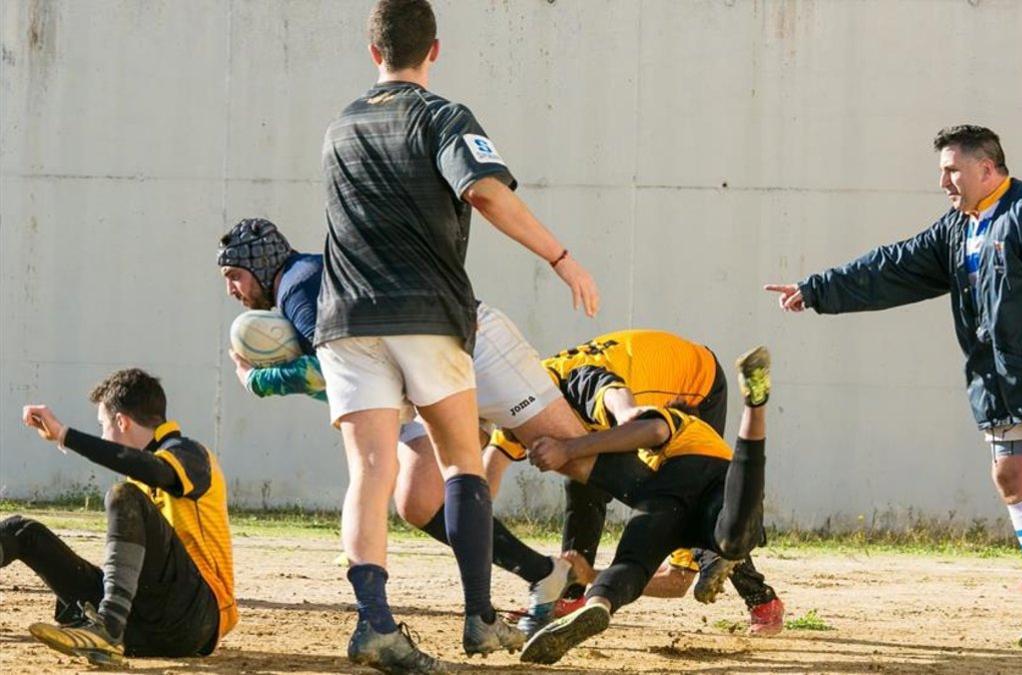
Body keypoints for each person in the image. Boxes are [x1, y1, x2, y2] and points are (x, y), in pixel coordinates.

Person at [764, 125, 1022, 648]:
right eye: (943, 170)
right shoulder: (957, 228)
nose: (944, 180)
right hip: (1001, 380)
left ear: (987, 168)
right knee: (1012, 477)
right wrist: (817, 290)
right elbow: (892, 266)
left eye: (952, 169)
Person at [316, 0, 600, 670]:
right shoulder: (442, 116)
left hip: (347, 317)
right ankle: (478, 619)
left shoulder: (339, 128)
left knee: (370, 473)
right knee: (460, 463)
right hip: (426, 313)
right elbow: (486, 193)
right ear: (434, 51)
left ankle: (376, 625)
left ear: (372, 51)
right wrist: (563, 258)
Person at [217, 218, 583, 642]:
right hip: (417, 379)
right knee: (419, 501)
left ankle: (637, 546)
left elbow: (325, 370)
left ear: (262, 265)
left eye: (234, 276)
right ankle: (545, 574)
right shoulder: (299, 283)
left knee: (579, 455)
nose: (231, 289)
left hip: (451, 359)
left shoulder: (299, 285)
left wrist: (259, 380)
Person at [492, 330, 783, 635]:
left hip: (698, 382)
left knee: (708, 509)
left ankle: (752, 592)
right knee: (597, 486)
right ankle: (577, 595)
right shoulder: (521, 402)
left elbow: (629, 412)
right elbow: (490, 468)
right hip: (658, 435)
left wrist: (577, 443)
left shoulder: (570, 382)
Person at [4, 369, 237, 666]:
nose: (103, 435)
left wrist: (65, 435)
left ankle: (108, 628)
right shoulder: (140, 475)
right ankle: (110, 625)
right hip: (142, 623)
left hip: (194, 620)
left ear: (122, 421)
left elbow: (154, 470)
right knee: (21, 532)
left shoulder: (190, 454)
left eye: (103, 425)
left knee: (123, 495)